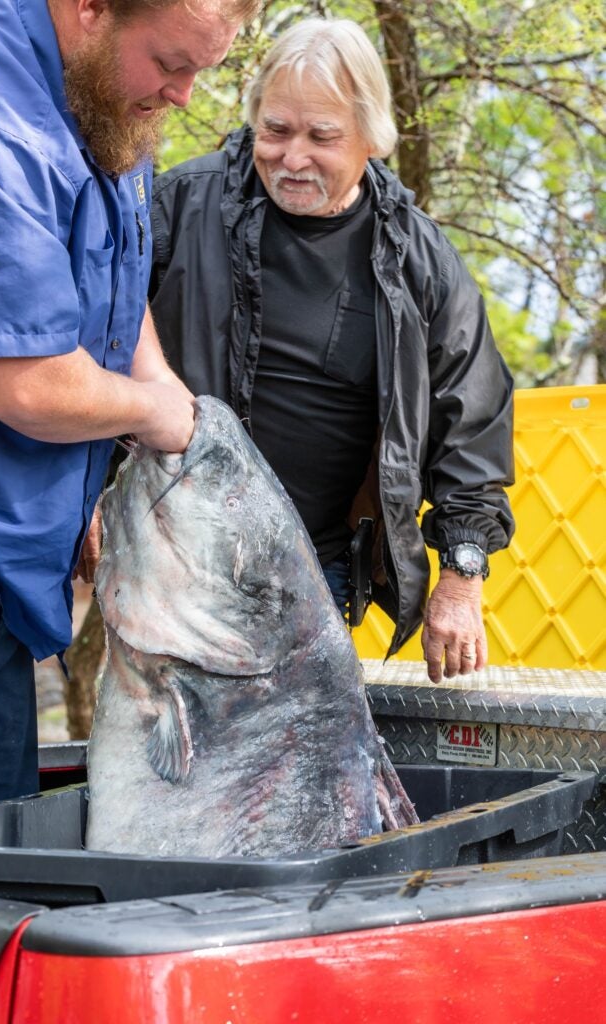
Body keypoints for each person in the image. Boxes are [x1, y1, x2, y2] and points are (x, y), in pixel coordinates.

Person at [0, 0, 258, 814]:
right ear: (88, 9)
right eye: (171, 64)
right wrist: (157, 417)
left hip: (7, 545)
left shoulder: (104, 96)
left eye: (199, 72)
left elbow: (110, 278)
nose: (182, 95)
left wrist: (163, 423)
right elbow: (26, 381)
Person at [149, 17, 515, 687]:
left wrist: (461, 578)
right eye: (276, 131)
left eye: (321, 137)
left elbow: (472, 423)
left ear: (371, 140)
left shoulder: (417, 258)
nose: (292, 158)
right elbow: (92, 349)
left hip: (311, 571)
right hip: (170, 553)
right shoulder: (177, 208)